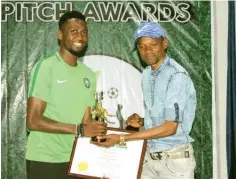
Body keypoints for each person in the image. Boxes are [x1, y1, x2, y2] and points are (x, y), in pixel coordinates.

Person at [93, 21, 197, 179]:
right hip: (149, 158)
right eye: (142, 46)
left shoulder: (177, 76)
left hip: (174, 163)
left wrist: (121, 138)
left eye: (153, 44)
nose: (147, 50)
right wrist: (142, 121)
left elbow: (170, 127)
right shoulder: (147, 74)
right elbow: (163, 117)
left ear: (164, 43)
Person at [25, 11, 107, 179]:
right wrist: (80, 130)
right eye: (74, 31)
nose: (80, 36)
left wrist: (99, 132)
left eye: (84, 32)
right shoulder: (47, 67)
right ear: (60, 34)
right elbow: (33, 121)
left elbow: (86, 121)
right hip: (45, 159)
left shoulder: (89, 74)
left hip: (77, 159)